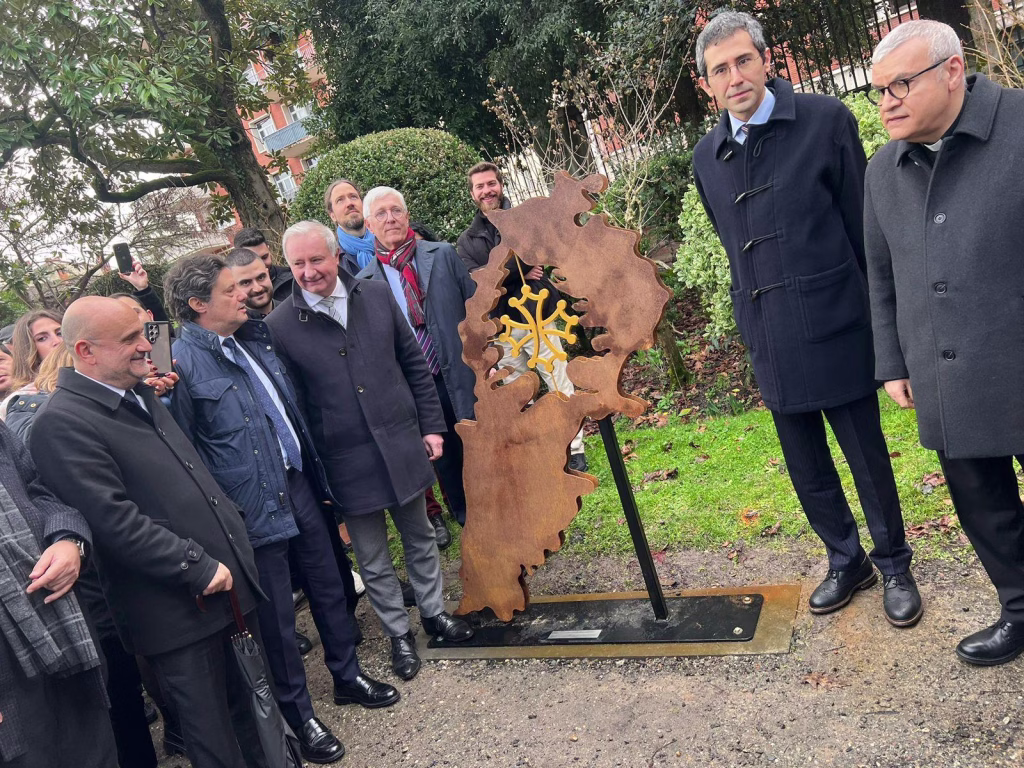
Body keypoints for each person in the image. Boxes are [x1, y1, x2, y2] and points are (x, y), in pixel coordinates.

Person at [690, 10, 918, 626]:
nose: (735, 77)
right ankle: (846, 559)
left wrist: (887, 328)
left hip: (836, 321)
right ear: (707, 84)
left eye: (744, 60)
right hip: (767, 330)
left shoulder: (826, 121)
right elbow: (731, 242)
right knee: (805, 464)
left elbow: (864, 231)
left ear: (767, 60)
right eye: (720, 69)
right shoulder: (707, 157)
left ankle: (894, 564)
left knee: (866, 456)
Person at [166, 252, 400, 763]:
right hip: (250, 507)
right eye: (230, 290)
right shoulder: (182, 366)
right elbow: (187, 455)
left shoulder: (253, 338)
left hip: (297, 484)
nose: (245, 295)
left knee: (329, 585)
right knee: (275, 618)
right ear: (198, 304)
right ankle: (299, 715)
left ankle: (347, 675)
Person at [29, 296, 271, 768]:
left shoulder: (136, 392)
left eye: (143, 332)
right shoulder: (60, 423)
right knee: (215, 738)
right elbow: (112, 521)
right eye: (130, 339)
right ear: (85, 351)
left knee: (255, 714)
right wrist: (196, 566)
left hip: (224, 586)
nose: (147, 345)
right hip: (176, 613)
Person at [864, 20, 1024, 665]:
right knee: (983, 505)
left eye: (901, 85)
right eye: (879, 90)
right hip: (946, 371)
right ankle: (1019, 609)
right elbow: (880, 274)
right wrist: (892, 362)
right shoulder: (883, 170)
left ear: (953, 71)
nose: (887, 103)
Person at [266, 220, 474, 682]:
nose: (308, 272)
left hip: (401, 441)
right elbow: (293, 405)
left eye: (315, 260)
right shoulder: (279, 326)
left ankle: (434, 613)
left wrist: (431, 426)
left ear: (335, 255)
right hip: (345, 459)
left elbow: (413, 363)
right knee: (373, 556)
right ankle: (398, 633)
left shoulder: (376, 294)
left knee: (420, 536)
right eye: (297, 264)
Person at [354, 186, 475, 540]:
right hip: (418, 386)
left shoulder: (443, 255)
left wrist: (489, 360)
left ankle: (506, 514)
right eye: (381, 214)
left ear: (407, 216)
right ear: (369, 225)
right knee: (446, 459)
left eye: (396, 210)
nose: (390, 218)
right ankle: (469, 523)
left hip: (460, 370)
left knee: (481, 446)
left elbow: (475, 310)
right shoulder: (363, 284)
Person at [456, 162, 588, 473]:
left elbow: (536, 255)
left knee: (558, 381)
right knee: (517, 391)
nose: (487, 190)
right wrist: (519, 272)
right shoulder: (467, 240)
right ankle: (539, 451)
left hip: (537, 315)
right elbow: (477, 281)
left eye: (491, 183)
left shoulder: (525, 219)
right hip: (502, 325)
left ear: (500, 185)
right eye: (480, 186)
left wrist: (503, 273)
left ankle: (575, 449)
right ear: (472, 193)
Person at [0, 420, 116, 768]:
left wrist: (69, 540)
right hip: (8, 677)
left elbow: (41, 490)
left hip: (61, 627)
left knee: (95, 752)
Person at [3, 310, 63, 416]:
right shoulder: (21, 401)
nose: (57, 341)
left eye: (60, 333)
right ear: (30, 350)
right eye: (42, 338)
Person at [324, 178, 374, 275]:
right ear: (332, 215)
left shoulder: (388, 242)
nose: (349, 203)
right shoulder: (333, 261)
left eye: (353, 197)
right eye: (340, 200)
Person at [234, 227, 293, 303]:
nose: (261, 264)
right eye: (253, 260)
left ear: (269, 250)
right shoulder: (234, 295)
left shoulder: (291, 281)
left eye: (264, 257)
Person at [224, 247, 277, 317]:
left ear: (268, 274)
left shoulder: (290, 311)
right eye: (246, 283)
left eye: (261, 278)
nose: (258, 289)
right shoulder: (233, 323)